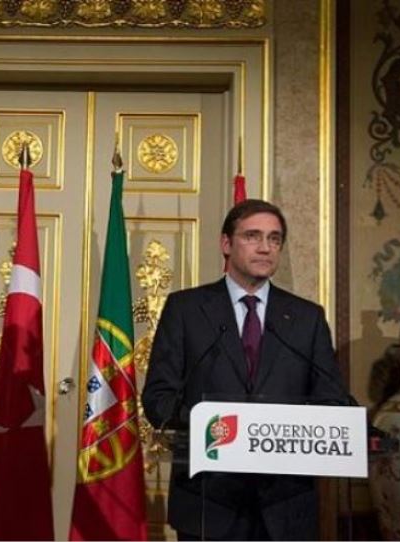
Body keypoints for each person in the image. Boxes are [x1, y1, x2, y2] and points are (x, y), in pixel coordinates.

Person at [142, 199, 347, 541]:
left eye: (274, 239)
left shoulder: (307, 317)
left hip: (285, 503)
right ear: (226, 244)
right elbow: (158, 398)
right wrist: (218, 424)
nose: (265, 247)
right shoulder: (186, 309)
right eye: (252, 236)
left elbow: (332, 399)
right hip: (209, 499)